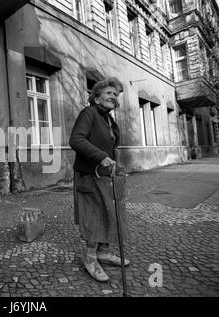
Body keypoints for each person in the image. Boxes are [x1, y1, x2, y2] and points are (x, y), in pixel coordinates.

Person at [69, 78, 130, 282]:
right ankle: (90, 259)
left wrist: (115, 165)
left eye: (116, 94)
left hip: (106, 175)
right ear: (96, 97)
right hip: (89, 174)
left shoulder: (108, 119)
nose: (114, 97)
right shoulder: (89, 113)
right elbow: (76, 139)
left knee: (109, 212)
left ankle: (103, 253)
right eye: (109, 93)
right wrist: (101, 157)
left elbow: (109, 145)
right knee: (94, 216)